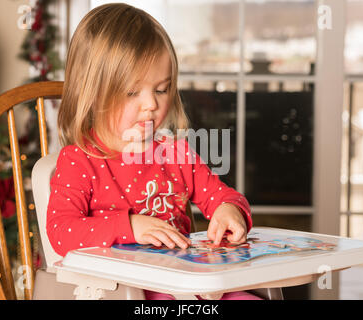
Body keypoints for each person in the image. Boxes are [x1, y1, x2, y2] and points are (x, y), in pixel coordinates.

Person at [47, 3, 261, 300]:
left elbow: (222, 195)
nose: (151, 104)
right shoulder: (79, 160)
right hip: (124, 291)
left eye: (161, 90)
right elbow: (62, 231)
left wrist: (230, 211)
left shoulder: (176, 154)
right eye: (133, 92)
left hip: (188, 282)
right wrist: (130, 226)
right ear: (93, 93)